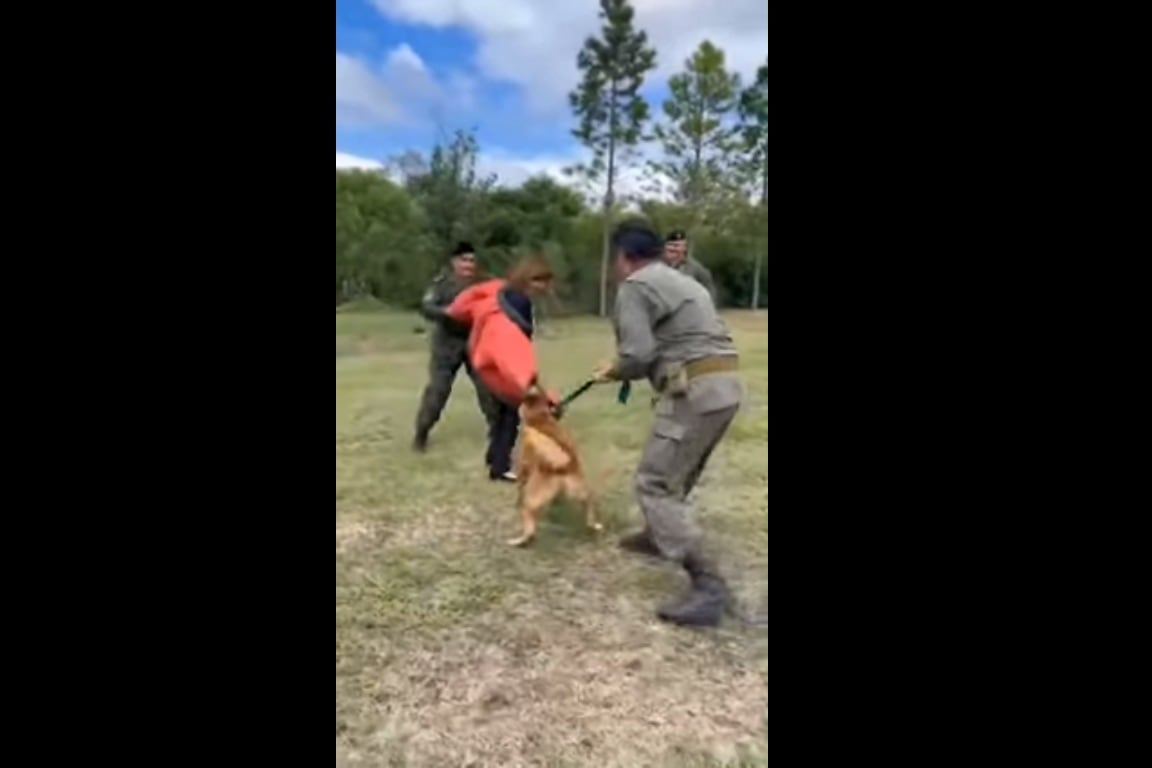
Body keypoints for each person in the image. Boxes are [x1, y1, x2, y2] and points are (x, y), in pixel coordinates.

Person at [592, 221, 743, 628]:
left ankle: (708, 588)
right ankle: (659, 536)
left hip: (693, 389)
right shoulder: (681, 280)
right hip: (725, 385)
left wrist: (615, 370)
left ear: (624, 257)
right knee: (678, 474)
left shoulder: (636, 285)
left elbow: (637, 353)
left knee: (654, 482)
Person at [413, 242, 498, 452]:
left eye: (472, 260)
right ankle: (422, 433)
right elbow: (426, 307)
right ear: (454, 262)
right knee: (438, 390)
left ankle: (497, 431)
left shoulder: (483, 283)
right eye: (464, 260)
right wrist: (448, 312)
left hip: (474, 342)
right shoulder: (441, 284)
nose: (469, 265)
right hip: (446, 344)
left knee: (488, 387)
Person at [485, 255, 554, 481]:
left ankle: (494, 456)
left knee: (500, 413)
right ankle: (499, 467)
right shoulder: (520, 302)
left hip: (493, 358)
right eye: (541, 282)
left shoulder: (506, 296)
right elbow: (518, 336)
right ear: (530, 280)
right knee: (508, 416)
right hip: (508, 361)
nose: (544, 288)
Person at [663, 230, 717, 303]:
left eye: (677, 245)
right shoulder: (658, 266)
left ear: (684, 247)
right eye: (670, 244)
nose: (673, 248)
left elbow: (709, 290)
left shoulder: (696, 268)